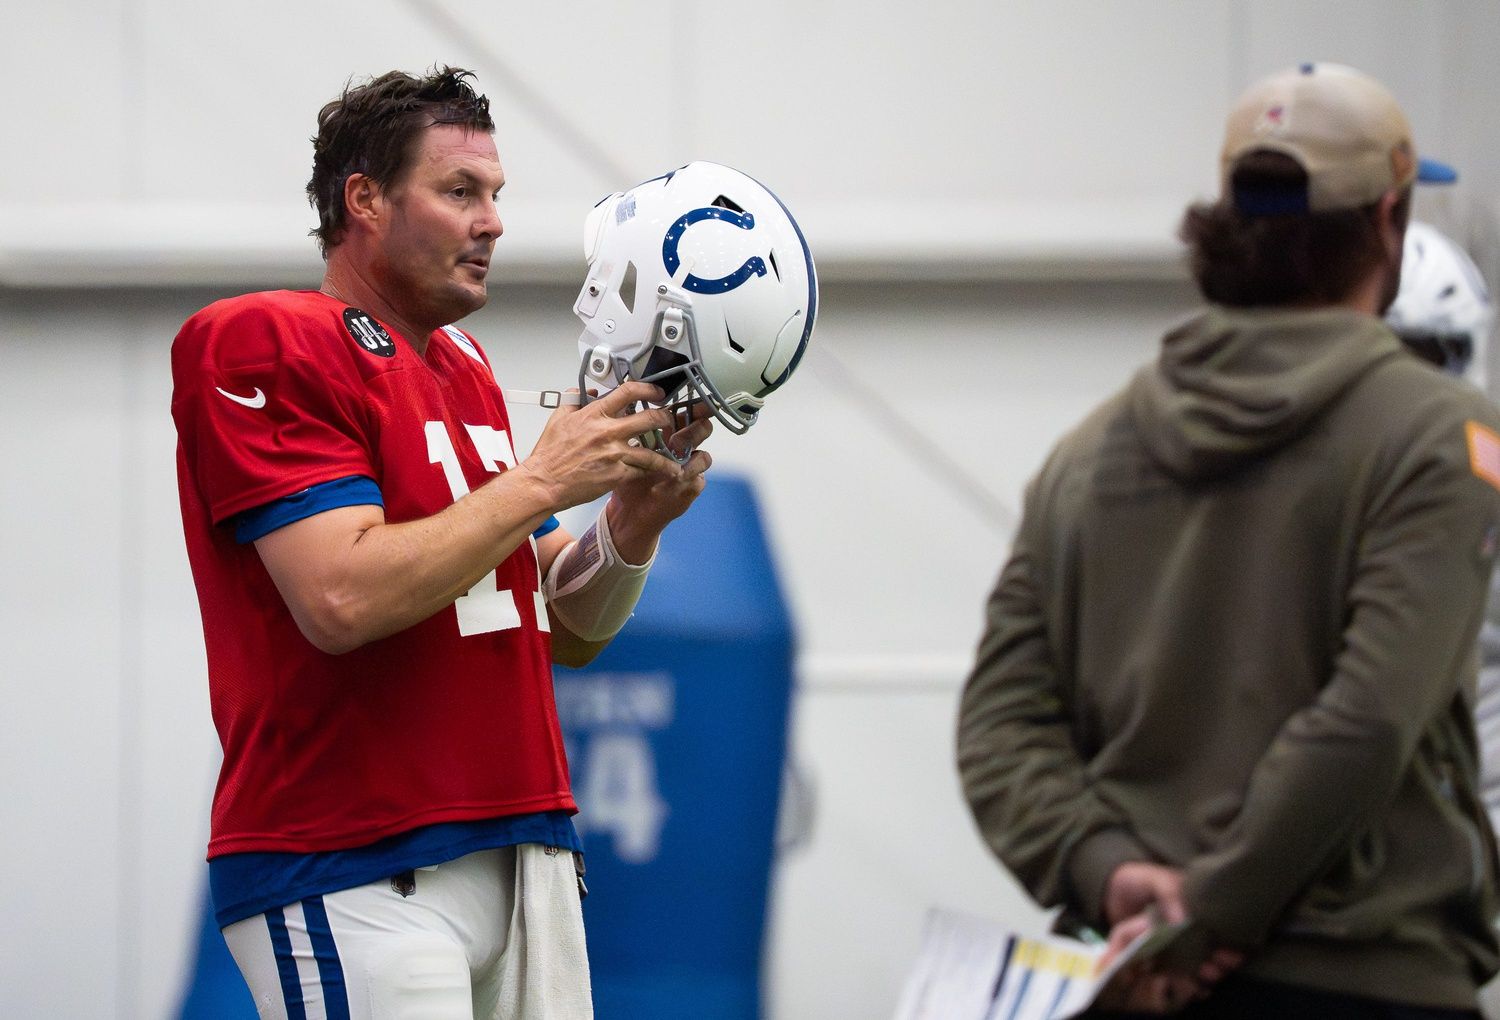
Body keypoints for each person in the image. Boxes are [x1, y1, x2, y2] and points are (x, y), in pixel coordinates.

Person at [956, 62, 1500, 1017]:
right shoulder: (1442, 437)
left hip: (1130, 978)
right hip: (1363, 976)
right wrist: (1213, 912)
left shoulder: (1085, 454)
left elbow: (999, 726)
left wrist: (1115, 872)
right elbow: (1367, 719)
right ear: (1387, 220)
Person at [170, 67, 712, 1020]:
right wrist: (543, 479)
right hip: (357, 865)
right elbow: (340, 598)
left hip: (519, 852)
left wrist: (629, 527)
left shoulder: (461, 366)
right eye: (460, 191)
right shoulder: (261, 338)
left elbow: (566, 627)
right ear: (365, 200)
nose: (493, 221)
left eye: (496, 195)